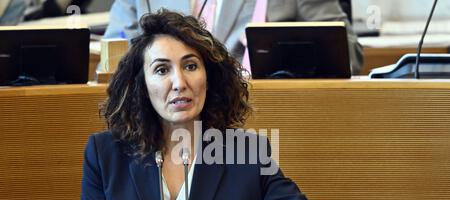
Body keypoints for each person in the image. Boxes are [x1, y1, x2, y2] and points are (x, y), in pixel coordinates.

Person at [79, 9, 385, 200]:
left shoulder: (246, 153)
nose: (180, 83)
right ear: (141, 85)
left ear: (209, 77)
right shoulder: (105, 155)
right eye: (161, 69)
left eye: (190, 66)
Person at [103, 0, 364, 74]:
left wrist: (285, 54)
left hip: (264, 124)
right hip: (165, 126)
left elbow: (349, 54)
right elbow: (112, 62)